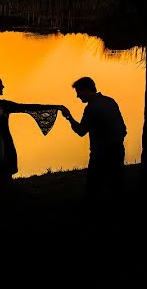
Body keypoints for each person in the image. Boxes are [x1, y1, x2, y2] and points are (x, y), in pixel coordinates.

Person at [0, 74, 64, 196]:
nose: (3, 87)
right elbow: (27, 107)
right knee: (5, 179)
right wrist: (57, 107)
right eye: (0, 85)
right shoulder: (3, 105)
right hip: (4, 145)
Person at [60, 76, 127, 204]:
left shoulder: (91, 108)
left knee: (93, 188)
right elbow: (123, 129)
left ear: (86, 90)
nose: (78, 97)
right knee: (117, 184)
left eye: (78, 92)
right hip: (118, 149)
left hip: (100, 154)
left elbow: (81, 131)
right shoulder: (110, 101)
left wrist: (68, 117)